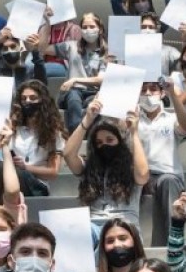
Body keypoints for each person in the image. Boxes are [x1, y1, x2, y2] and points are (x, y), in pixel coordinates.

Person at [64, 99, 150, 239]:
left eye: (110, 140)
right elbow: (68, 155)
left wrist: (134, 132)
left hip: (124, 226)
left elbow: (143, 174)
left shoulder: (131, 167)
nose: (104, 145)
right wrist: (87, 120)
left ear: (119, 142)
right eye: (99, 143)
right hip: (94, 228)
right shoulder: (89, 169)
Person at [136, 78, 186, 246]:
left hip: (167, 175)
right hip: (140, 177)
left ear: (161, 93)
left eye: (153, 89)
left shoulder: (172, 118)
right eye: (143, 90)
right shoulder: (132, 118)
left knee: (168, 181)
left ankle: (172, 244)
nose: (147, 93)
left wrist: (173, 93)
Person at [42, 11, 110, 133]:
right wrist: (47, 22)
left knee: (94, 104)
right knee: (74, 99)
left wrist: (74, 80)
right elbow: (43, 48)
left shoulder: (105, 53)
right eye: (85, 27)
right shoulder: (71, 46)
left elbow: (100, 79)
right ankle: (75, 134)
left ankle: (90, 136)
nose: (88, 30)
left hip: (93, 92)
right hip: (72, 92)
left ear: (100, 29)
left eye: (92, 26)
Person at [6, 80, 66, 187]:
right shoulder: (14, 127)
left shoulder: (53, 131)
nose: (27, 101)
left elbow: (53, 172)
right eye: (23, 98)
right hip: (12, 180)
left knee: (21, 175)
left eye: (33, 98)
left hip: (37, 184)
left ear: (42, 101)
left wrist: (25, 167)